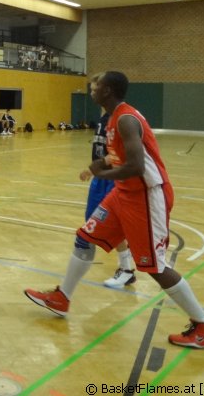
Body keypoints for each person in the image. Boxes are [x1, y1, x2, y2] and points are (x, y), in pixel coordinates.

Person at [24, 71, 204, 349]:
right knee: (85, 236)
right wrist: (101, 163)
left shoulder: (126, 119)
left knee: (155, 266)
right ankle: (62, 298)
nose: (92, 88)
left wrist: (102, 174)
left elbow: (136, 166)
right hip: (123, 193)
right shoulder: (113, 117)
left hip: (146, 196)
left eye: (97, 85)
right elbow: (121, 153)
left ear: (108, 91)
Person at [81, 83, 136, 288]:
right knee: (92, 220)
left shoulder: (121, 119)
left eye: (95, 89)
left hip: (112, 177)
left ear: (107, 92)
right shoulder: (104, 119)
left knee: (108, 223)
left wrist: (95, 168)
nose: (92, 92)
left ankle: (127, 268)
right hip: (100, 178)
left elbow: (120, 153)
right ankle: (126, 263)